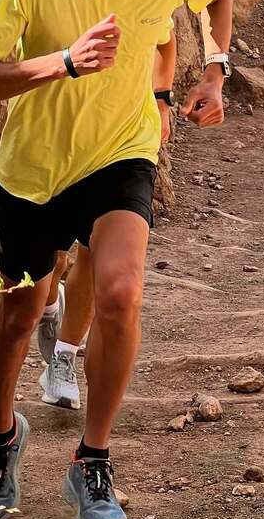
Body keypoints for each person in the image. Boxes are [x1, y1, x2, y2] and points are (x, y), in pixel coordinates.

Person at [0, 0, 234, 519]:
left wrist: (216, 68)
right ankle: (0, 436)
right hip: (34, 169)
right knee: (20, 316)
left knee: (119, 291)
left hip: (122, 153)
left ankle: (93, 460)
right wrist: (62, 64)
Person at [36, 32, 177, 410]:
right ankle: (49, 309)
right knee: (51, 258)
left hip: (120, 147)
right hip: (50, 133)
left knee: (93, 251)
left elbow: (164, 37)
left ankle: (63, 356)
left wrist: (162, 98)